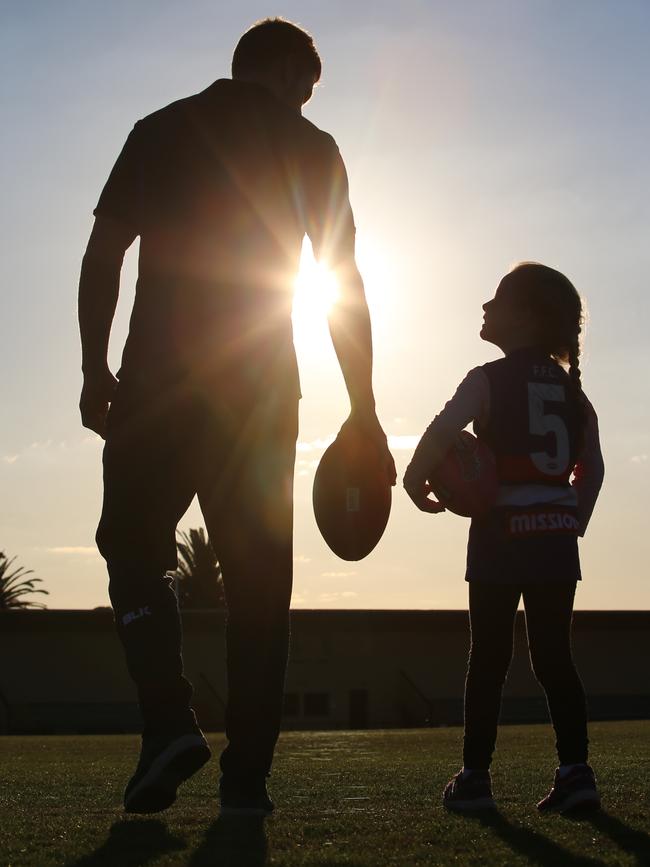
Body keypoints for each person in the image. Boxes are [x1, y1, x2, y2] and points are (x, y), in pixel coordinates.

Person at [78, 18, 395, 816]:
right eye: (307, 85)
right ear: (288, 69)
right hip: (258, 391)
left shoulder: (160, 128)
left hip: (158, 382)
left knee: (130, 546)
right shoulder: (313, 147)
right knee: (261, 585)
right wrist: (363, 409)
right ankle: (246, 783)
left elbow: (104, 252)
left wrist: (94, 366)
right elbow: (343, 285)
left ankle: (167, 721)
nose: (306, 100)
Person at [403, 263, 604, 813]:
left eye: (496, 301)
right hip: (555, 542)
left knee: (488, 656)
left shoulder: (487, 378)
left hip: (500, 536)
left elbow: (445, 428)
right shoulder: (573, 391)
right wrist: (572, 520)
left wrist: (413, 475)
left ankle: (475, 779)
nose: (485, 309)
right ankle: (576, 773)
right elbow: (595, 469)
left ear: (524, 318)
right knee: (555, 657)